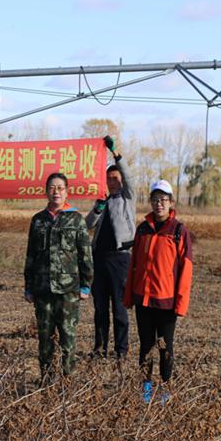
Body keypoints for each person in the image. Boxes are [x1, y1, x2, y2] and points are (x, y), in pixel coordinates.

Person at [124, 180, 192, 404]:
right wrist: (128, 296)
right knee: (145, 347)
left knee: (165, 347)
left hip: (166, 302)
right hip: (143, 299)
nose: (159, 204)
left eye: (163, 200)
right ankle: (145, 389)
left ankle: (165, 390)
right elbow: (134, 264)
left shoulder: (178, 231)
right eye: (155, 200)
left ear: (171, 203)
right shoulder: (143, 229)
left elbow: (185, 270)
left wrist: (181, 304)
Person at [24, 172, 93, 381]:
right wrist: (28, 286)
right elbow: (31, 255)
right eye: (52, 188)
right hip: (43, 290)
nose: (56, 192)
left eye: (60, 188)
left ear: (67, 192)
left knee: (67, 338)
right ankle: (46, 382)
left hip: (68, 291)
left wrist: (86, 285)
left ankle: (66, 383)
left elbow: (85, 255)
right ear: (46, 191)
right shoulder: (38, 221)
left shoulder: (76, 219)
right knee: (45, 339)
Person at [85, 135, 135, 360]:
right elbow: (87, 225)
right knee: (100, 307)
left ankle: (121, 350)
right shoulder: (101, 201)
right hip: (99, 258)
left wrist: (116, 154)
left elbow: (129, 177)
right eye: (109, 179)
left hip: (120, 258)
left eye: (115, 178)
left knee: (120, 307)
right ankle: (100, 348)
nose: (112, 182)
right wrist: (98, 208)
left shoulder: (127, 198)